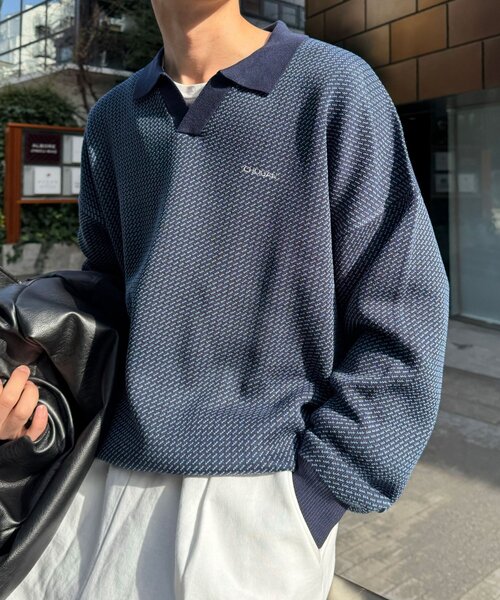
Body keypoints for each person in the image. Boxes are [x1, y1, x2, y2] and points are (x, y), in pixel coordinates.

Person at [4, 2, 450, 599]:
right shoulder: (115, 116)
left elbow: (405, 301)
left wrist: (318, 493)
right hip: (100, 476)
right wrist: (29, 386)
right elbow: (104, 295)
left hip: (258, 497)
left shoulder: (333, 86)